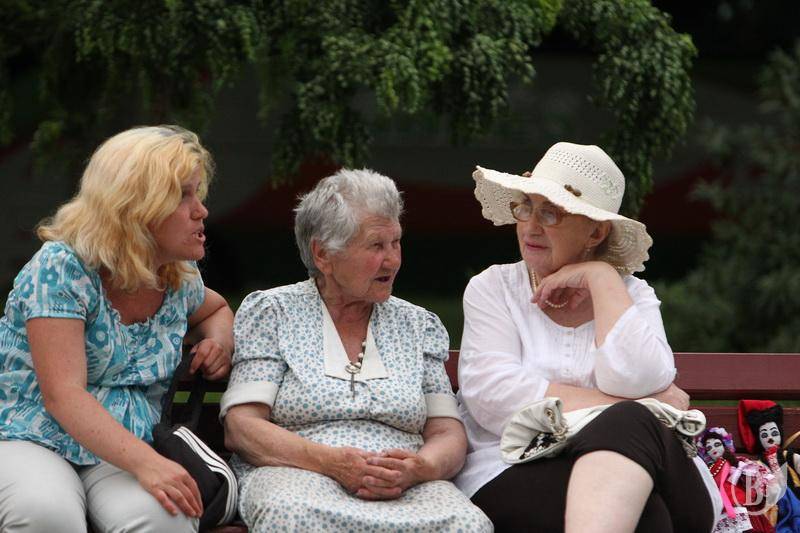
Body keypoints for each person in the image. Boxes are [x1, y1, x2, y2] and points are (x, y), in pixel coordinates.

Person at [455, 142, 722, 532]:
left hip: (662, 475)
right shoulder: (493, 288)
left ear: (596, 231)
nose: (531, 226)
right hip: (513, 468)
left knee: (631, 429)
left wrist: (601, 278)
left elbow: (641, 378)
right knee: (645, 511)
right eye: (526, 207)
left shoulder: (632, 295)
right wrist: (638, 407)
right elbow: (494, 397)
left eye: (551, 213)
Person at [221, 168, 492, 532]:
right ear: (323, 254)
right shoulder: (274, 313)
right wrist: (332, 463)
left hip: (405, 486)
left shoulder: (418, 325)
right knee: (292, 515)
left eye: (396, 243)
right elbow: (242, 427)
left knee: (467, 524)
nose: (392, 260)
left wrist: (419, 468)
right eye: (376, 246)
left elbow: (446, 432)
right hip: (299, 475)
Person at [0, 125, 234, 532]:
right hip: (33, 437)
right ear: (136, 206)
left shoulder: (176, 274)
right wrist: (149, 464)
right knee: (45, 513)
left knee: (167, 517)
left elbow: (215, 310)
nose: (201, 211)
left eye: (198, 193)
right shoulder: (62, 268)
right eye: (183, 195)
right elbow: (63, 395)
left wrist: (219, 342)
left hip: (124, 445)